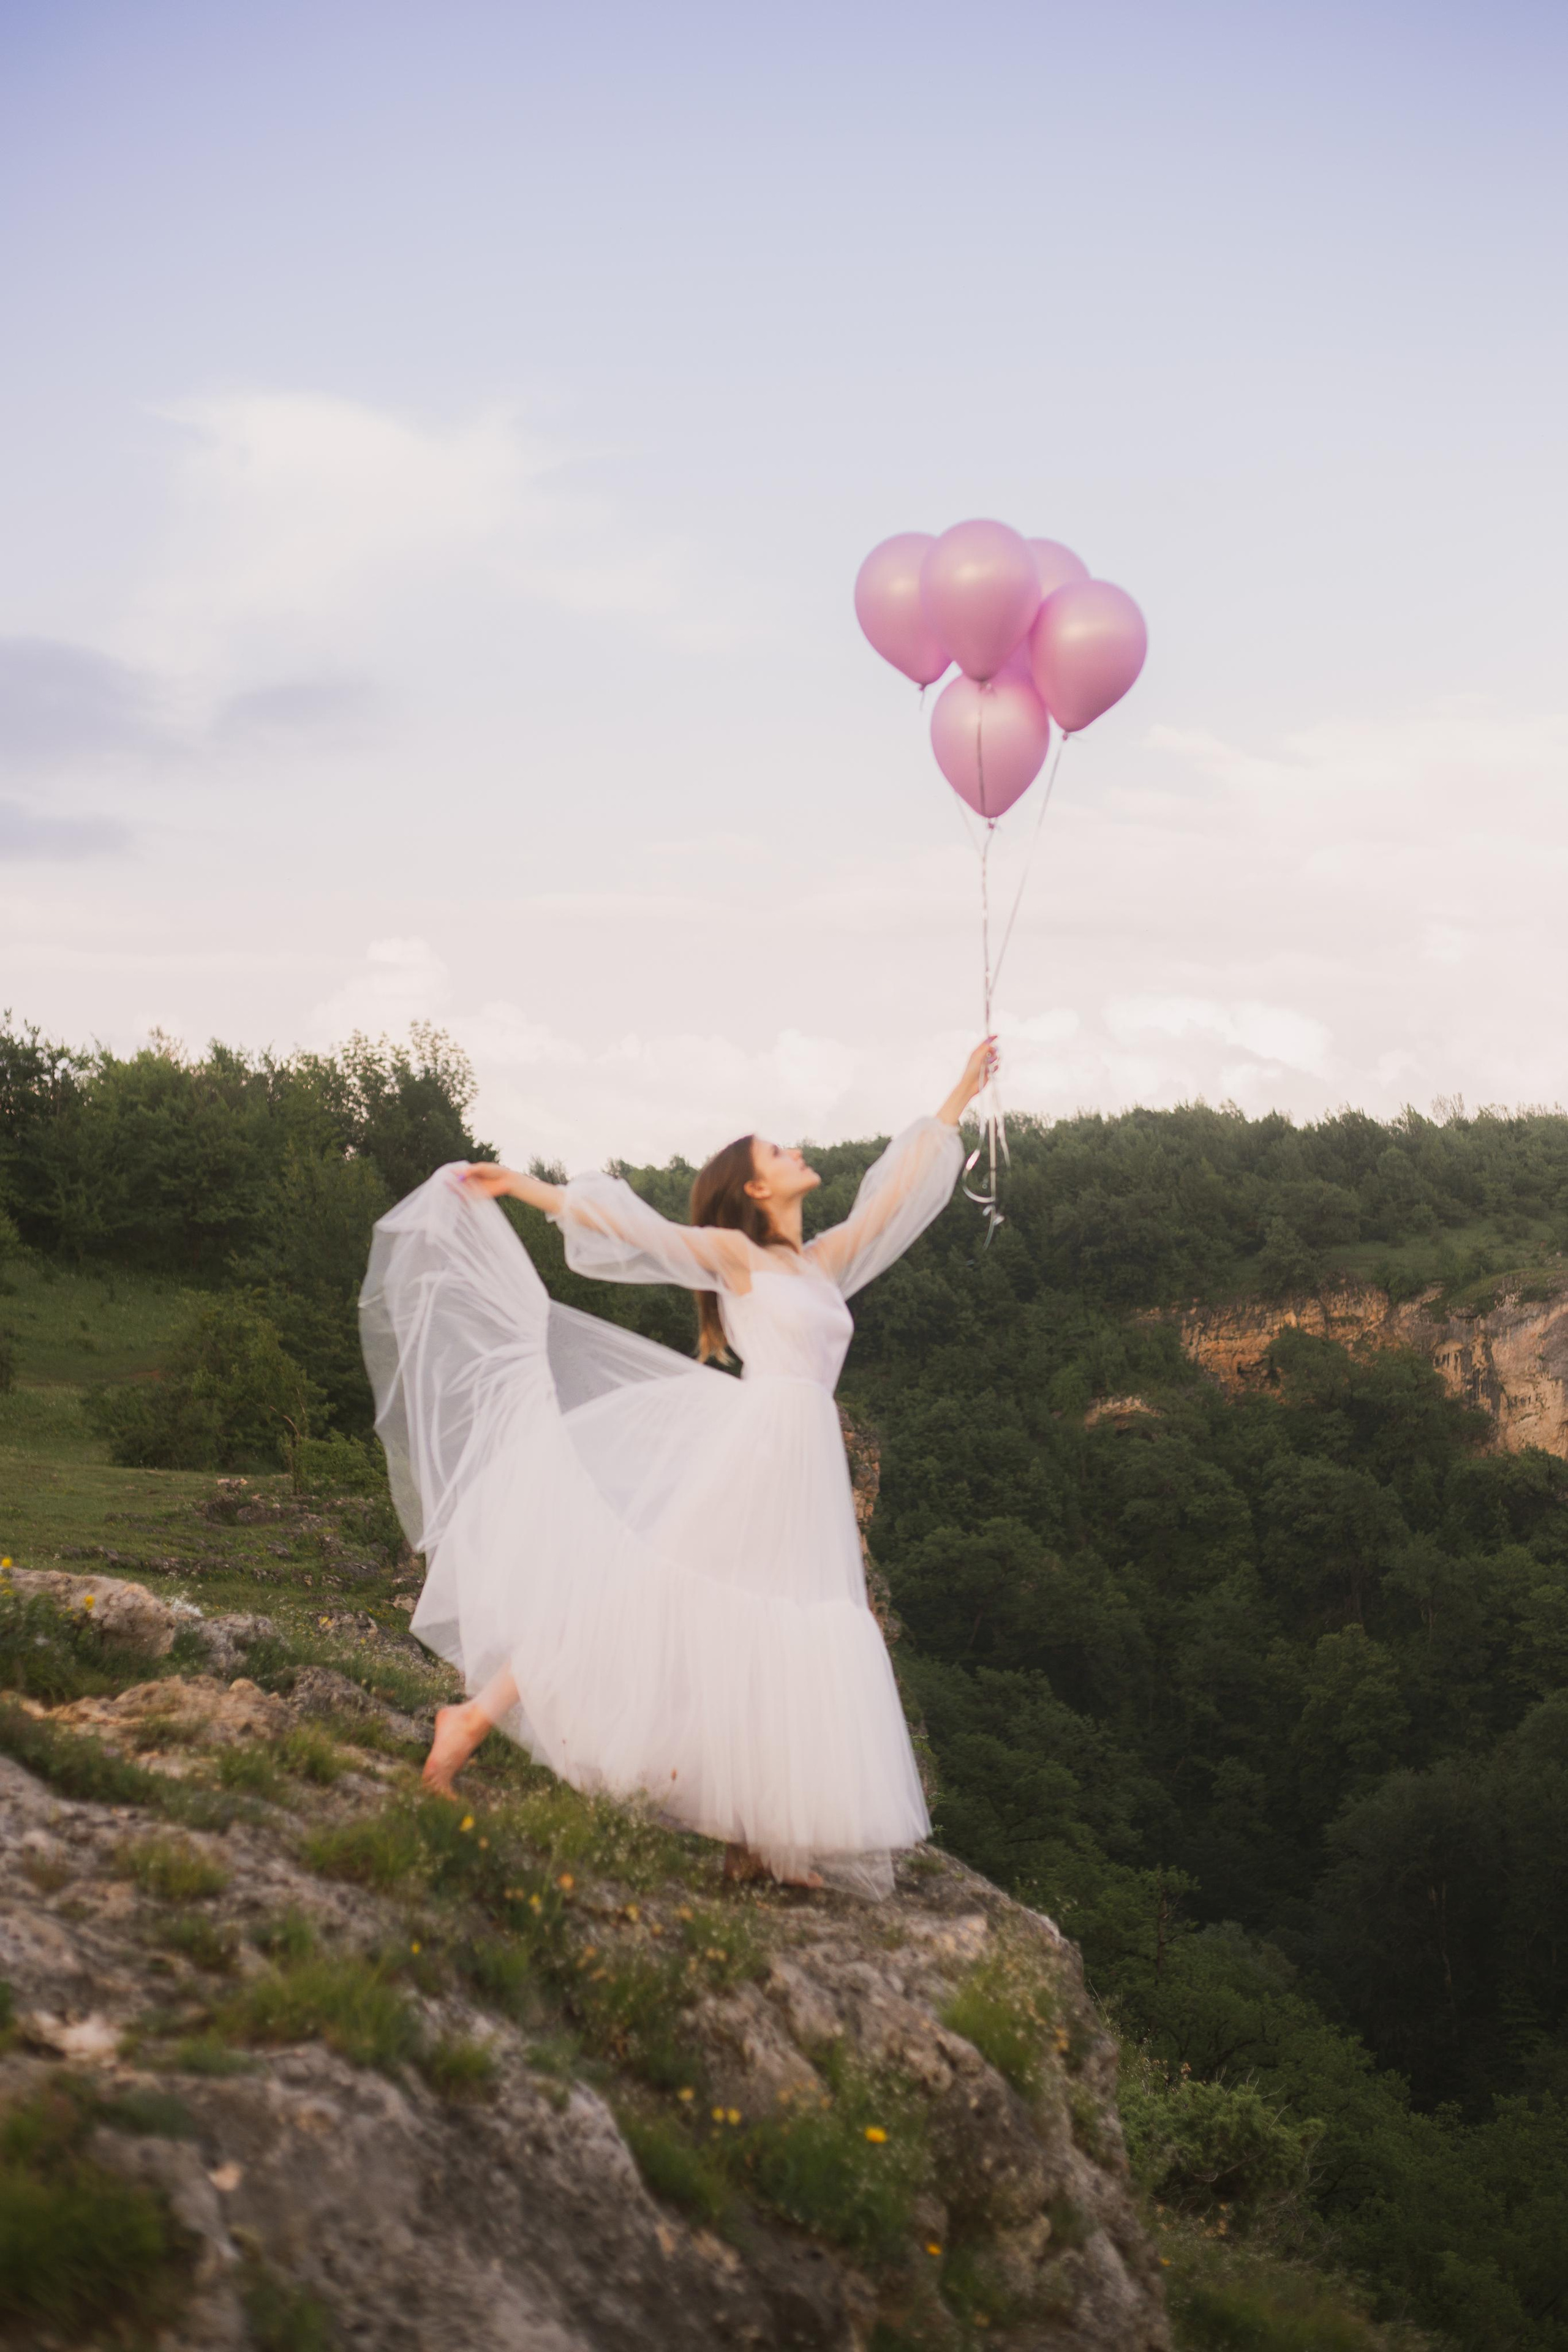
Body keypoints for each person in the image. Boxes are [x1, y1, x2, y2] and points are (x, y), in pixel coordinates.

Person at [359, 1038, 995, 1896]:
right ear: (756, 1190)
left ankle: (755, 1839)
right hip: (759, 1445)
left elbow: (896, 1199)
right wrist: (522, 1187)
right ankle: (469, 1719)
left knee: (774, 1625)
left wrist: (959, 1090)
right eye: (777, 1151)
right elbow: (642, 1233)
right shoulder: (742, 1258)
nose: (796, 1150)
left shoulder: (822, 1263)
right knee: (651, 1593)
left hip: (803, 1465)